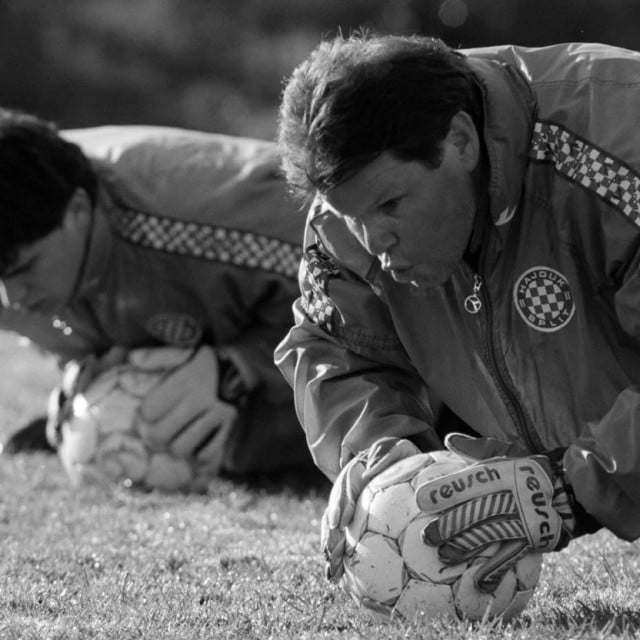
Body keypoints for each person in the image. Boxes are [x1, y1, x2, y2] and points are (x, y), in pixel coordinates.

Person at [275, 32, 640, 591]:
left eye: (390, 205)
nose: (372, 242)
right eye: (349, 216)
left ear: (462, 142)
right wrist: (382, 458)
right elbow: (340, 350)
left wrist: (572, 487)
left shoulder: (620, 144)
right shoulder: (347, 214)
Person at [0, 107, 313, 478]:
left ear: (78, 211)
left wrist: (240, 368)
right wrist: (85, 379)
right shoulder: (38, 245)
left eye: (24, 270)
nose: (12, 299)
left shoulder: (216, 217)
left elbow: (364, 301)